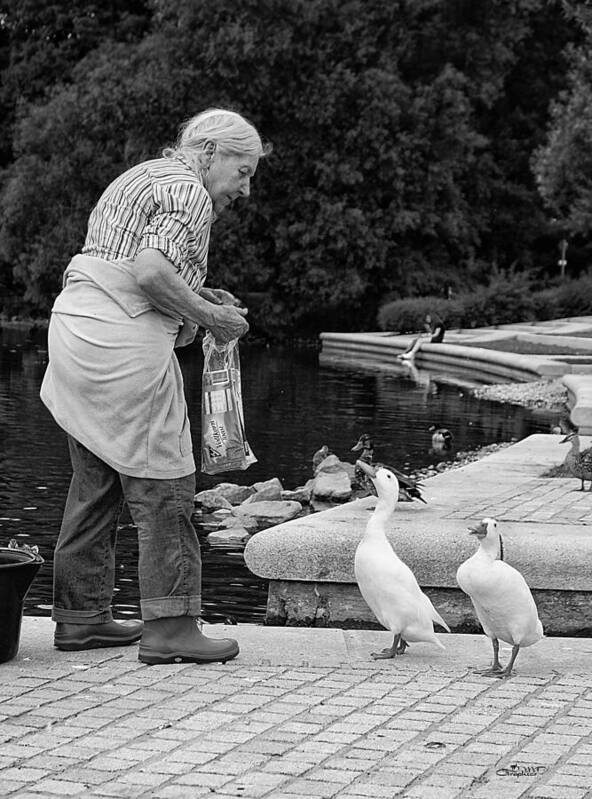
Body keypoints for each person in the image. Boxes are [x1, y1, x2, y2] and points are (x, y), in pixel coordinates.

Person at [40, 108, 270, 665]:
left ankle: (82, 618)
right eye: (243, 171)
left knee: (95, 483)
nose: (245, 189)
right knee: (165, 484)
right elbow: (148, 272)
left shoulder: (142, 175)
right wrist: (213, 321)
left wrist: (201, 296)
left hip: (76, 333)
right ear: (210, 152)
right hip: (124, 349)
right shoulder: (191, 193)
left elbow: (129, 266)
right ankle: (170, 627)